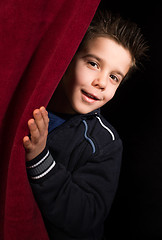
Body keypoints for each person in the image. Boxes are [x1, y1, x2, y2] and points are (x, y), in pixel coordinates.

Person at [23, 10, 147, 240]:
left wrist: (40, 159)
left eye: (114, 77)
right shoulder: (30, 103)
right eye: (93, 63)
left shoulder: (105, 143)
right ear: (69, 59)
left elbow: (86, 216)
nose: (101, 82)